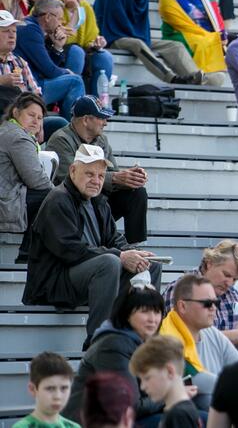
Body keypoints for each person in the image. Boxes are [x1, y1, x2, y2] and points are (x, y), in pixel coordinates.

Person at [22, 143, 163, 346]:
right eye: (89, 174)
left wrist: (134, 253)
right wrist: (120, 256)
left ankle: (142, 339)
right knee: (109, 262)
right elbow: (71, 250)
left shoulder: (98, 201)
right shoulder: (58, 199)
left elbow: (115, 240)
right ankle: (99, 342)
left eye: (100, 175)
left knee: (151, 265)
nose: (95, 181)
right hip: (54, 283)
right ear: (73, 171)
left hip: (86, 278)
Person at [46, 95, 150, 245]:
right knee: (92, 191)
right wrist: (114, 178)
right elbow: (70, 179)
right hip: (73, 204)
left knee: (137, 193)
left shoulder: (102, 140)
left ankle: (134, 247)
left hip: (99, 200)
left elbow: (113, 172)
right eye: (101, 118)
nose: (105, 123)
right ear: (86, 120)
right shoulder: (61, 139)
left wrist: (131, 177)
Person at [94, 0, 207, 86]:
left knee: (175, 46)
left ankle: (196, 79)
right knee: (137, 43)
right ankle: (171, 78)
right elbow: (105, 19)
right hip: (112, 37)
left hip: (134, 36)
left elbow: (141, 24)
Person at [63, 285, 165, 423]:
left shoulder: (141, 343)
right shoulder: (113, 346)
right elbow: (129, 406)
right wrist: (168, 395)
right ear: (126, 314)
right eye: (144, 312)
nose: (152, 319)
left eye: (157, 312)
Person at [162, 239, 238, 346]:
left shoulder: (233, 294)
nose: (229, 283)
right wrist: (231, 336)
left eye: (235, 279)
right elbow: (185, 337)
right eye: (226, 275)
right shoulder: (180, 289)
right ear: (209, 264)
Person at [159, 275, 238, 383]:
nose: (214, 308)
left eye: (216, 303)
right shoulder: (168, 341)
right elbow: (199, 381)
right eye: (207, 303)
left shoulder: (212, 333)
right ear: (182, 306)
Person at [0, 93, 52, 263]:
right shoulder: (18, 138)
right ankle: (27, 253)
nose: (36, 121)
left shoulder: (9, 130)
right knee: (52, 197)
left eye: (40, 118)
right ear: (16, 112)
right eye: (31, 115)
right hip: (5, 203)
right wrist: (63, 194)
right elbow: (37, 180)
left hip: (7, 197)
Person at [0, 10, 67, 140]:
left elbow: (36, 96)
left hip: (25, 120)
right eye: (6, 31)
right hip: (5, 121)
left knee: (60, 125)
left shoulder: (19, 62)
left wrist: (40, 124)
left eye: (14, 31)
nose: (12, 35)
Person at [15, 0, 85, 121]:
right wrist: (66, 72)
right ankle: (74, 128)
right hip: (28, 90)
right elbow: (49, 71)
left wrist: (57, 47)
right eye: (59, 18)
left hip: (34, 84)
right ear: (47, 17)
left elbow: (46, 66)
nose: (61, 23)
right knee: (75, 81)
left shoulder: (33, 28)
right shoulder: (30, 31)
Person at [48, 0, 114, 99]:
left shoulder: (86, 7)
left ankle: (97, 104)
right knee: (76, 52)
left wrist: (97, 43)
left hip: (77, 51)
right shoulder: (52, 2)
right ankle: (72, 102)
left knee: (104, 56)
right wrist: (76, 14)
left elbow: (89, 39)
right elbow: (61, 38)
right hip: (53, 51)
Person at [159, 0, 227, 81]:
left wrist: (221, 31)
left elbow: (213, 8)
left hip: (203, 31)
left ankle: (208, 75)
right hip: (179, 34)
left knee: (228, 39)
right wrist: (212, 37)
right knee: (202, 41)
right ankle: (202, 77)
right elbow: (183, 26)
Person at [129, 335, 200, 428]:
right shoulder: (177, 412)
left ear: (170, 371)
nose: (142, 386)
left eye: (147, 378)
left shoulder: (178, 415)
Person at [14, 352, 80, 428]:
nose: (57, 396)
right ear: (32, 389)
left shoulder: (74, 427)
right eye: (50, 389)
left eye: (64, 388)